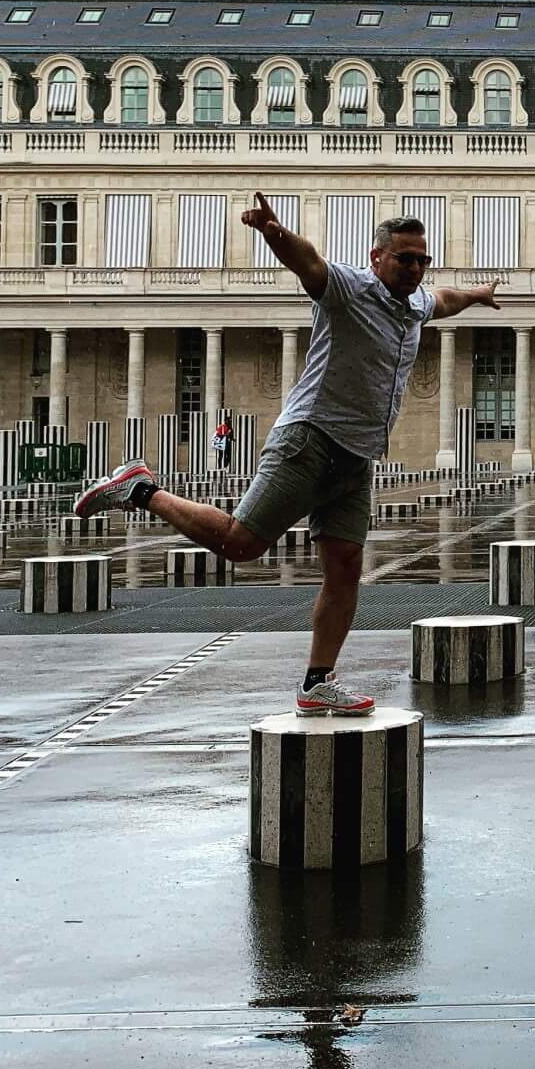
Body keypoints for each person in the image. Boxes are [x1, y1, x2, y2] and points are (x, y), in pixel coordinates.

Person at [75, 197, 500, 714]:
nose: (414, 268)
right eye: (404, 257)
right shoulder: (348, 289)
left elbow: (446, 299)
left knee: (344, 569)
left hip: (357, 458)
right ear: (377, 257)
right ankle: (142, 488)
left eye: (421, 259)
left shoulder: (415, 306)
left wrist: (477, 294)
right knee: (240, 544)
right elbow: (309, 262)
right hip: (310, 439)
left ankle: (317, 682)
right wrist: (275, 233)